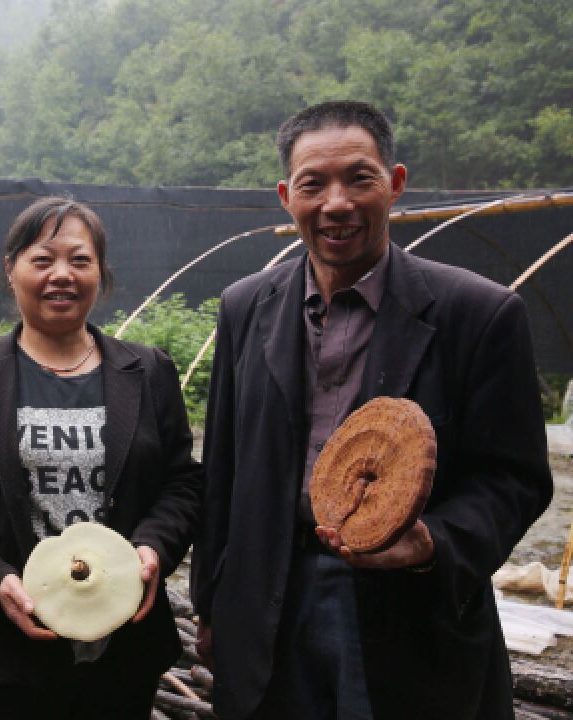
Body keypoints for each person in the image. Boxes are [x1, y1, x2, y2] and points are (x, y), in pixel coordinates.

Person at [190, 100, 553, 719]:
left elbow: (514, 478)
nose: (337, 202)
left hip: (408, 611)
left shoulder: (476, 313)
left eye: (360, 178)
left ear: (395, 184)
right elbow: (222, 468)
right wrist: (211, 603)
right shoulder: (246, 305)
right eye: (314, 184)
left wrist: (430, 542)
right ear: (286, 195)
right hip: (268, 597)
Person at [0, 196, 204, 718]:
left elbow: (181, 482)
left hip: (123, 647)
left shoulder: (149, 372)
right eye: (42, 260)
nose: (61, 275)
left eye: (79, 260)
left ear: (100, 272)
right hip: (3, 652)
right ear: (12, 269)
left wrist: (154, 547)